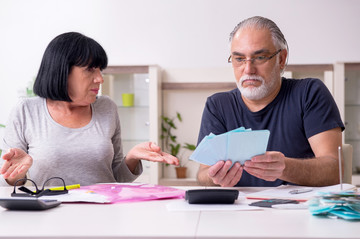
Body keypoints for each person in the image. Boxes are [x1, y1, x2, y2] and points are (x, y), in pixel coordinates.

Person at [0, 32, 178, 186]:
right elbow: (4, 183)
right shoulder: (26, 112)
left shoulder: (107, 108)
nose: (100, 78)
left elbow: (117, 179)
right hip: (50, 217)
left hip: (103, 214)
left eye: (100, 70)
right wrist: (16, 173)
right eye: (90, 69)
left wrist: (131, 158)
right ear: (62, 71)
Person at [196, 16, 344, 187]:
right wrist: (215, 177)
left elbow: (334, 171)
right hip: (237, 211)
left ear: (281, 59)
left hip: (298, 210)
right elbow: (203, 173)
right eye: (239, 59)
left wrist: (285, 168)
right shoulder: (217, 106)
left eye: (260, 57)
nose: (248, 69)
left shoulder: (309, 93)